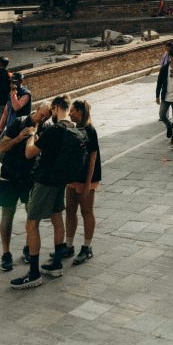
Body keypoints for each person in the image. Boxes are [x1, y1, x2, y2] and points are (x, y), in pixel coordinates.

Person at [10, 95, 85, 290]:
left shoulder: (54, 130)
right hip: (60, 181)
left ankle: (33, 273)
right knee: (56, 217)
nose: (50, 115)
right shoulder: (74, 129)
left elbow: (29, 153)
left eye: (52, 111)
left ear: (58, 108)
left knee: (31, 223)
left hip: (44, 182)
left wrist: (33, 134)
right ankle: (56, 264)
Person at [0, 102, 51, 272]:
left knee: (32, 214)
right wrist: (20, 137)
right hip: (10, 176)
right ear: (36, 110)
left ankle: (28, 247)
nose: (42, 119)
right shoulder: (18, 122)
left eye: (46, 117)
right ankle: (6, 253)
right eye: (41, 115)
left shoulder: (46, 128)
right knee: (7, 215)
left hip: (30, 178)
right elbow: (1, 147)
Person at [64, 99, 101, 265]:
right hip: (72, 177)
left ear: (80, 112)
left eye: (72, 111)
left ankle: (87, 247)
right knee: (70, 210)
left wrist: (87, 183)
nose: (70, 113)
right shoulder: (72, 128)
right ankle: (69, 244)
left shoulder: (89, 130)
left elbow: (93, 157)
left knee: (87, 211)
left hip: (87, 177)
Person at [156, 49, 173, 145]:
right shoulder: (164, 68)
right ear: (171, 57)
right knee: (162, 115)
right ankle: (169, 125)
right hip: (166, 96)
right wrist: (157, 96)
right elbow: (159, 82)